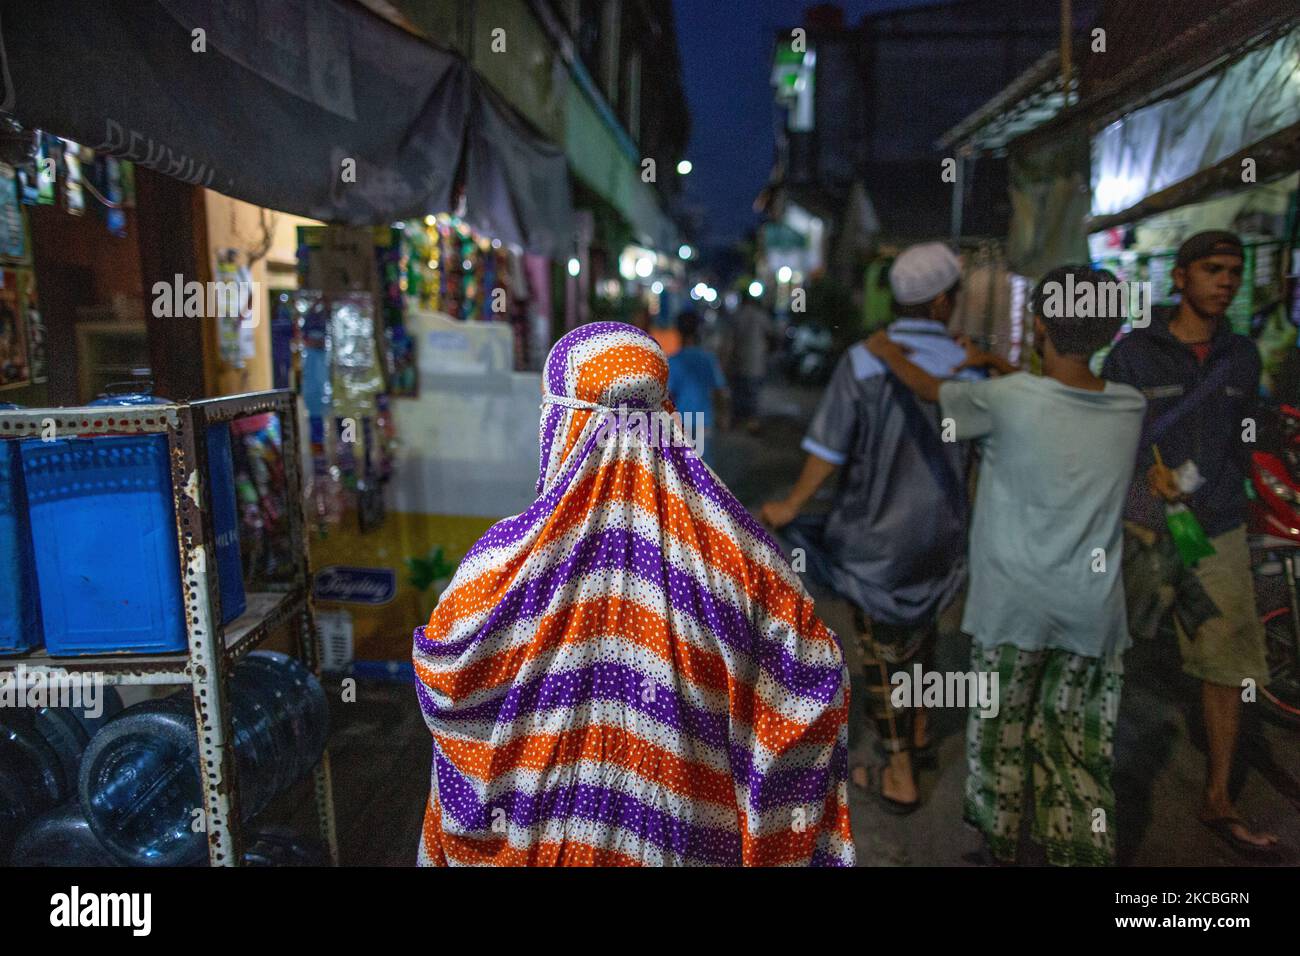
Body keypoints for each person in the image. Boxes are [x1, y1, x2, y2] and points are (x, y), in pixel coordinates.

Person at [412, 321, 855, 867]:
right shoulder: (742, 561)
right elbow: (812, 679)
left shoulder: (497, 568)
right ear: (665, 413)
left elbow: (448, 681)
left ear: (560, 421)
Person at [868, 265, 1147, 865]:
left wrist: (887, 349)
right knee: (1078, 752)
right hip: (1092, 615)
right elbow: (1060, 394)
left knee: (1001, 750)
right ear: (1112, 329)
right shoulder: (1128, 407)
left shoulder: (1002, 401)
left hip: (1012, 611)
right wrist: (995, 364)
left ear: (1038, 322)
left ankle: (1002, 851)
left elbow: (927, 387)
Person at [761, 241, 976, 813]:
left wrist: (791, 504)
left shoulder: (864, 360)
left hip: (875, 539)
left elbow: (828, 449)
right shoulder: (969, 363)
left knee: (879, 652)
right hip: (948, 535)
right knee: (924, 633)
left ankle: (899, 769)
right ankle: (922, 731)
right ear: (942, 302)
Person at [1102, 229, 1280, 858]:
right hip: (1147, 524)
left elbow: (1242, 437)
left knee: (1228, 661)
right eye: (1212, 269)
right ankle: (1091, 785)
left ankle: (1218, 800)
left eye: (1234, 270)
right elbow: (1107, 437)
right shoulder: (1133, 355)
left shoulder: (1242, 357)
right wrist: (1138, 476)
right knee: (1110, 649)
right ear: (1179, 278)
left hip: (1216, 526)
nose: (1225, 281)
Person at [667, 310, 729, 465]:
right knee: (702, 468)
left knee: (682, 469)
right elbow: (720, 391)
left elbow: (667, 395)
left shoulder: (673, 361)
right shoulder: (708, 359)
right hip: (703, 419)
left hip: (680, 421)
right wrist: (723, 415)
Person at [729, 290, 774, 431]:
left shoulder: (737, 316)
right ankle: (752, 422)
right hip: (756, 362)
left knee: (739, 393)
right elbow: (772, 334)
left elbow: (729, 342)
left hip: (739, 362)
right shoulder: (761, 316)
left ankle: (738, 421)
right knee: (753, 394)